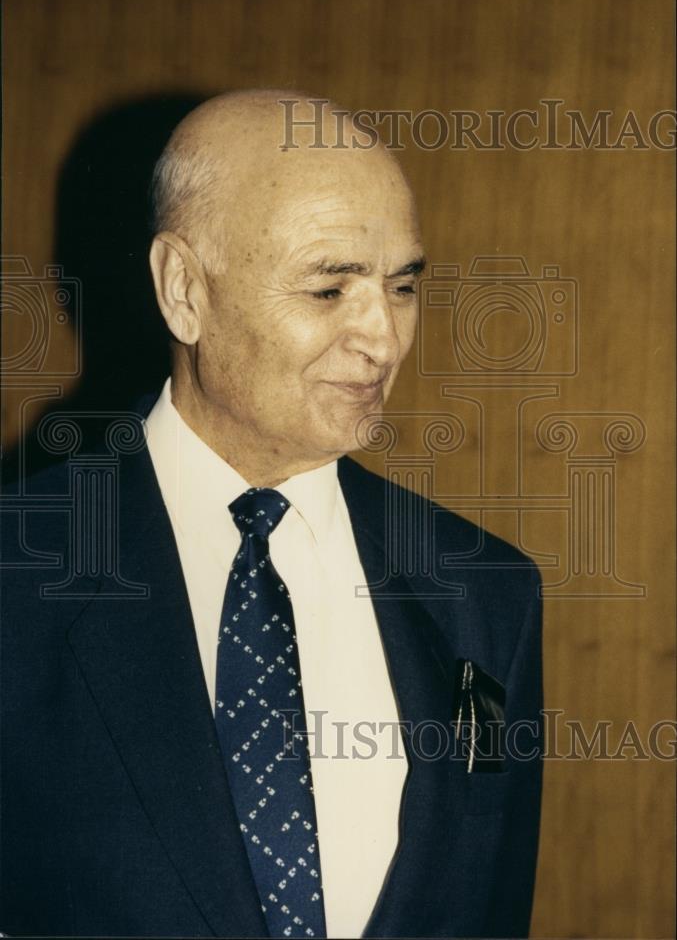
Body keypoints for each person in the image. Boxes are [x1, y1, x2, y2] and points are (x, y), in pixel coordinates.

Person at [0, 90, 543, 939]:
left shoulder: (485, 595)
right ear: (183, 289)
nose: (384, 338)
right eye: (329, 290)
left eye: (400, 286)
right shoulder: (18, 574)